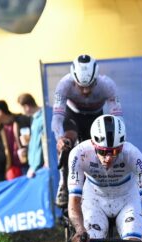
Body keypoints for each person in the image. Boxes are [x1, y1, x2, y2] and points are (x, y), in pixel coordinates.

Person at [52, 55, 122, 206]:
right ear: (74, 80)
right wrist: (59, 138)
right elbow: (57, 117)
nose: (85, 91)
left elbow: (117, 116)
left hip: (94, 118)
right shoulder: (64, 84)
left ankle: (103, 186)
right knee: (66, 142)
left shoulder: (107, 85)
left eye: (90, 86)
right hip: (73, 116)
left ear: (96, 79)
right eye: (81, 86)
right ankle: (63, 184)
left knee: (102, 147)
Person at [19, 93, 45, 177]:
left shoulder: (43, 118)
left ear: (26, 106)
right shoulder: (34, 118)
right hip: (35, 166)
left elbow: (41, 145)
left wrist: (34, 167)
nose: (22, 112)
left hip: (39, 167)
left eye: (22, 108)